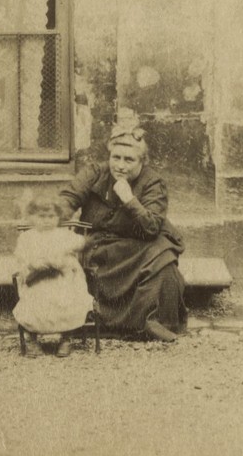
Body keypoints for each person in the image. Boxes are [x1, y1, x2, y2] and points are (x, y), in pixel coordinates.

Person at [57, 125, 185, 342]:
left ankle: (152, 322)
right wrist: (55, 216)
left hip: (136, 243)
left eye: (129, 160)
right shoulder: (95, 172)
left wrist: (129, 199)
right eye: (116, 158)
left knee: (164, 258)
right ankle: (114, 323)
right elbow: (69, 196)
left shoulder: (153, 182)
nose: (120, 166)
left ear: (142, 162)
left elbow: (152, 227)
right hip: (99, 244)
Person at [11, 197, 93, 358]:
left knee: (68, 301)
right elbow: (22, 256)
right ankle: (31, 340)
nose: (47, 221)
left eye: (51, 217)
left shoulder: (64, 235)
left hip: (62, 280)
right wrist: (34, 264)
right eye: (42, 217)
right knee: (34, 304)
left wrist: (75, 250)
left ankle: (66, 339)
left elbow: (81, 243)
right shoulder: (27, 237)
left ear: (58, 218)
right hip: (38, 281)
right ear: (32, 217)